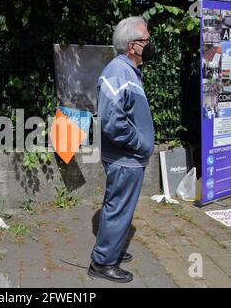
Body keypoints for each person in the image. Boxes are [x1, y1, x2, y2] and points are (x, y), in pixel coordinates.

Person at [88, 16, 155, 283]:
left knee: (117, 205)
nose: (149, 44)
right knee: (119, 207)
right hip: (125, 158)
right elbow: (111, 120)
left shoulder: (127, 69)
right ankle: (102, 262)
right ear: (131, 46)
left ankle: (111, 248)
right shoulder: (118, 71)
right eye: (146, 40)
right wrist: (138, 144)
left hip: (127, 157)